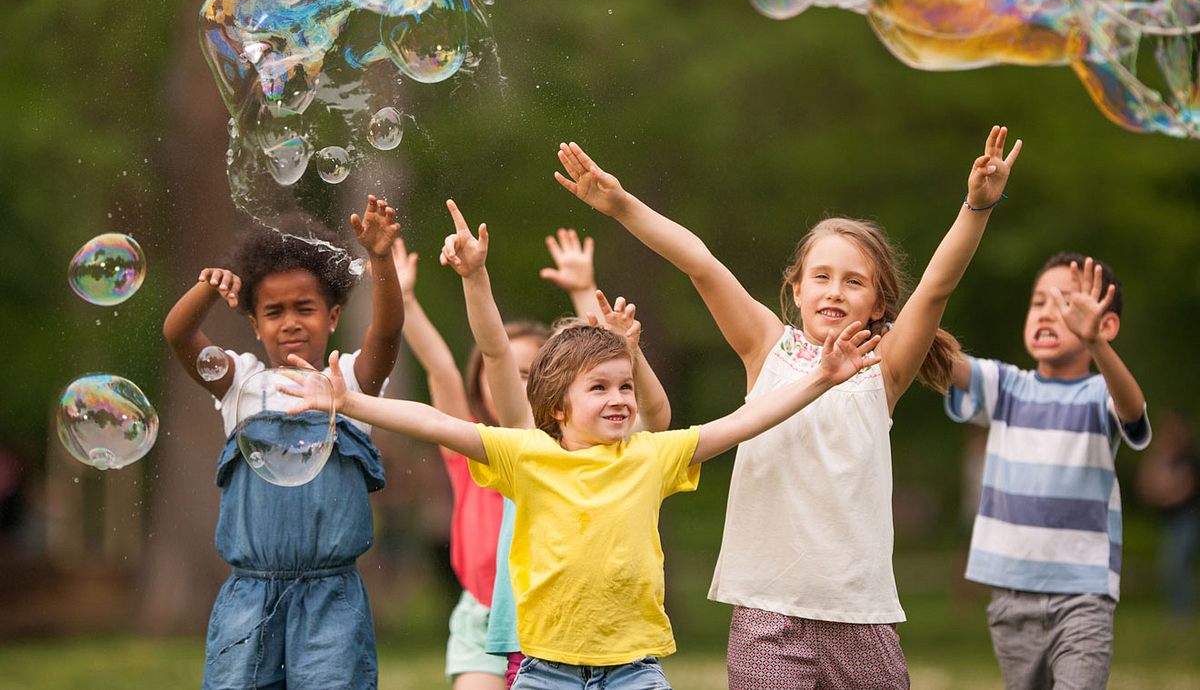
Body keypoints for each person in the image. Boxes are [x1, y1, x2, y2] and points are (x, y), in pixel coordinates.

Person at [283, 223, 880, 689]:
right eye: (599, 389)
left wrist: (818, 380)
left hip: (636, 673)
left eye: (624, 386)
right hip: (545, 673)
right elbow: (435, 420)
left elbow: (746, 419)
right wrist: (353, 403)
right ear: (558, 407)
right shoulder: (526, 455)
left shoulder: (653, 455)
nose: (620, 399)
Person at [552, 126, 1021, 688]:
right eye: (820, 277)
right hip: (766, 612)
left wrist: (976, 206)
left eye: (854, 283)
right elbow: (700, 263)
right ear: (795, 289)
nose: (834, 292)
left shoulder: (884, 368)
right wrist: (622, 205)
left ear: (877, 305)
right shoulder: (765, 346)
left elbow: (937, 287)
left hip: (859, 616)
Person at [162, 195, 403, 690]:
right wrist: (208, 290)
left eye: (305, 308)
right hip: (249, 597)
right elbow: (178, 334)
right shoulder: (239, 385)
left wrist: (380, 258)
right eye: (274, 311)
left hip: (331, 596)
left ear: (333, 316)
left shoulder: (349, 385)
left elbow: (389, 332)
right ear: (254, 324)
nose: (290, 321)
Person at [430, 201, 673, 688]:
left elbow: (646, 405)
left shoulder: (625, 454)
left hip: (615, 651)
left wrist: (605, 315)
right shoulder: (526, 448)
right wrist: (474, 278)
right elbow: (496, 350)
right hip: (531, 639)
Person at [944, 253, 1150, 689]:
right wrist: (887, 321)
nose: (1048, 312)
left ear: (1105, 325)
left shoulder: (1100, 393)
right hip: (1010, 597)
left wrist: (1096, 346)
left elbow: (1132, 409)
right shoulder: (1007, 387)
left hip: (1084, 596)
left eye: (1067, 304)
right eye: (1039, 302)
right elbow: (944, 361)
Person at [1137, 411, 1200, 619]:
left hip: (1187, 520)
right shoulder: (1164, 460)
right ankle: (1179, 610)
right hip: (1172, 521)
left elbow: (1178, 491)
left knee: (1176, 564)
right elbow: (1146, 486)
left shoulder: (1186, 460)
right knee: (1172, 565)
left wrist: (1161, 493)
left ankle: (1181, 612)